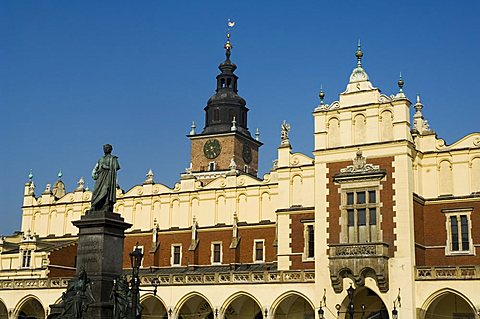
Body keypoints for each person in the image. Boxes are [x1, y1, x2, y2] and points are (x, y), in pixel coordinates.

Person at [91, 144, 120, 212]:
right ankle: (95, 206)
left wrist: (106, 167)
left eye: (107, 148)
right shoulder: (101, 159)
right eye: (104, 148)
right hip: (100, 177)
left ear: (110, 149)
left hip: (108, 176)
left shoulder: (113, 158)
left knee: (106, 190)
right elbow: (96, 167)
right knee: (96, 191)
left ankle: (106, 205)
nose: (105, 149)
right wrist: (94, 173)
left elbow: (116, 167)